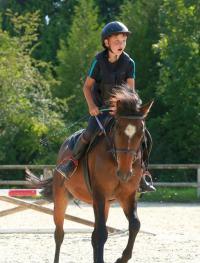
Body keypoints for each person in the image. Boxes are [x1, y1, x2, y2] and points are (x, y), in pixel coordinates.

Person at [56, 21, 155, 192]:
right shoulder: (98, 61)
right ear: (106, 42)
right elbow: (86, 87)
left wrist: (132, 110)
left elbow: (131, 91)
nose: (121, 45)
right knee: (88, 134)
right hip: (100, 110)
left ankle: (142, 174)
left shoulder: (129, 62)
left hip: (121, 114)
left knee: (144, 136)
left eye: (123, 41)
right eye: (116, 41)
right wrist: (92, 106)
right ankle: (71, 163)